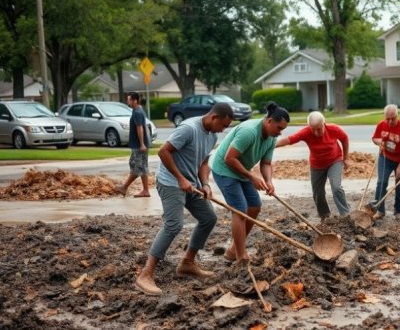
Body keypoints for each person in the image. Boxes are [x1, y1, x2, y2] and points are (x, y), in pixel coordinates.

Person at [134, 103, 234, 295]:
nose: (223, 130)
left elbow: (204, 162)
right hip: (171, 182)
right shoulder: (189, 129)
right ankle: (145, 274)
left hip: (192, 184)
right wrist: (180, 179)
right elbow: (163, 151)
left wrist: (204, 183)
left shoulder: (212, 135)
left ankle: (187, 263)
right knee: (174, 224)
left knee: (209, 218)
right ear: (214, 118)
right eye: (223, 125)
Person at [211, 101, 289, 263]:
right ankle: (240, 256)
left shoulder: (271, 137)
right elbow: (229, 158)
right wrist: (252, 177)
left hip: (242, 171)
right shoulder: (249, 132)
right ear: (269, 121)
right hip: (224, 169)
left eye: (283, 129)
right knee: (240, 210)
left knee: (254, 206)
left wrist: (269, 181)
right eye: (279, 128)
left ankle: (233, 249)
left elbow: (266, 163)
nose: (280, 133)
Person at [276, 111, 351, 220]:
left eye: (319, 129)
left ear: (324, 124)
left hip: (334, 161)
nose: (316, 132)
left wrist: (346, 158)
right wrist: (271, 145)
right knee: (318, 193)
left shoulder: (333, 129)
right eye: (313, 129)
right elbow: (289, 140)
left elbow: (344, 139)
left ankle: (346, 214)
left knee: (336, 188)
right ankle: (325, 217)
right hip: (317, 165)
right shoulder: (306, 132)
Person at [367, 104, 400, 219]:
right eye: (388, 118)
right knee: (381, 182)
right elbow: (375, 138)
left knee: (399, 185)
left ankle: (399, 211)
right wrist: (379, 142)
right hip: (385, 157)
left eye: (393, 118)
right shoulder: (381, 125)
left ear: (397, 116)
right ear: (385, 117)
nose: (390, 121)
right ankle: (379, 209)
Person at [115, 92, 151, 197]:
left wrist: (142, 144)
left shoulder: (137, 112)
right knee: (140, 166)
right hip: (139, 145)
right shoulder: (138, 110)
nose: (128, 101)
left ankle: (124, 187)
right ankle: (145, 190)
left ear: (135, 100)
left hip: (139, 145)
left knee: (138, 166)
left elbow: (139, 128)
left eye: (129, 100)